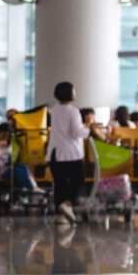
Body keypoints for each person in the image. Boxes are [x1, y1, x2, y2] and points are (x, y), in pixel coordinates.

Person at [46, 81, 88, 226]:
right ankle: (67, 204)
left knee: (60, 184)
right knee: (78, 180)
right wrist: (90, 131)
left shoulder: (55, 110)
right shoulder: (73, 111)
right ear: (69, 93)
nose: (75, 92)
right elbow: (77, 132)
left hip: (54, 152)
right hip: (70, 153)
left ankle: (61, 215)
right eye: (73, 90)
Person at [0, 124, 42, 193]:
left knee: (20, 164)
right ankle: (32, 187)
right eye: (3, 135)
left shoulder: (13, 146)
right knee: (16, 168)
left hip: (16, 167)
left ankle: (32, 187)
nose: (5, 138)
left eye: (7, 136)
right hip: (3, 171)